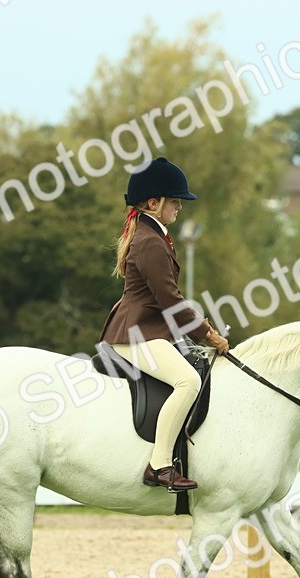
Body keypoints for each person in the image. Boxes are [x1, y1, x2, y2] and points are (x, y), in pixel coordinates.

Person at [99, 157, 229, 491]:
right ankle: (159, 465)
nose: (179, 207)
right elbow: (170, 300)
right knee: (187, 382)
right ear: (153, 203)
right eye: (175, 201)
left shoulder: (152, 235)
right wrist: (208, 334)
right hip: (135, 333)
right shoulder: (150, 242)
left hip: (147, 329)